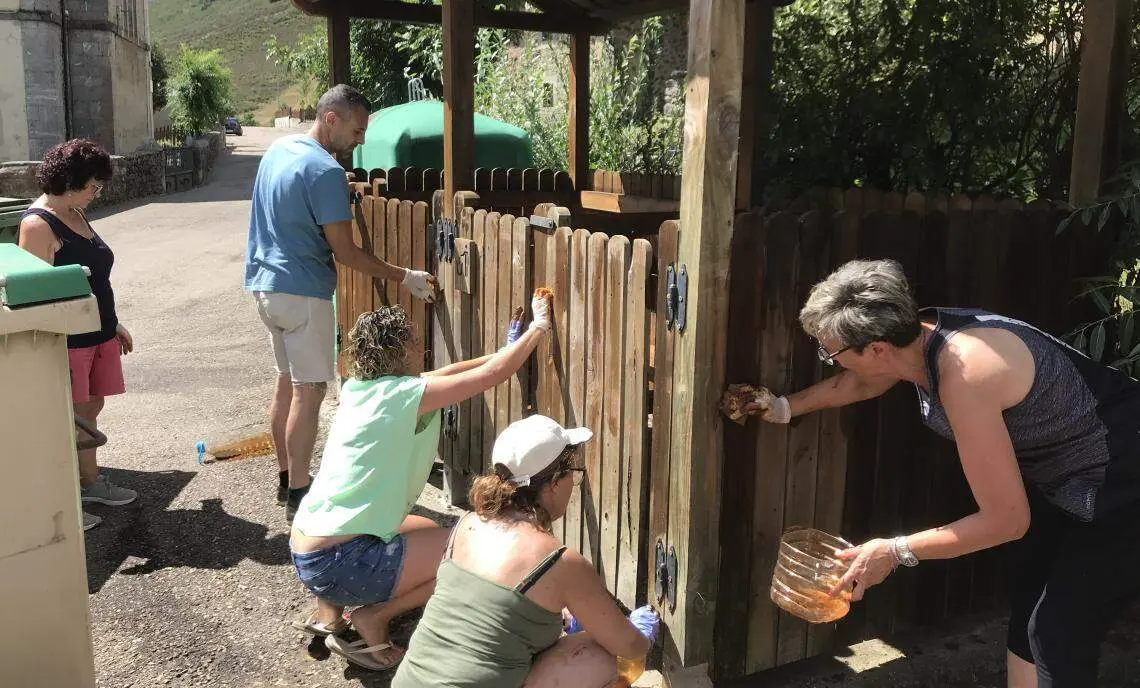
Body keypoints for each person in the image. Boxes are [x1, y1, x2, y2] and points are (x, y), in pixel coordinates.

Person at [729, 258, 1140, 688]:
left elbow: (1007, 521)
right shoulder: (913, 336)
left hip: (1123, 478)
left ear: (876, 349)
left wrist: (895, 551)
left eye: (831, 354)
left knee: (1057, 633)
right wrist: (784, 407)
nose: (832, 362)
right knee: (1029, 609)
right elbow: (864, 381)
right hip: (1069, 478)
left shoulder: (966, 375)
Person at [290, 291, 553, 672]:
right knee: (465, 550)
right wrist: (539, 327)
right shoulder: (404, 395)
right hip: (339, 562)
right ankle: (374, 616)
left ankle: (329, 614)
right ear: (400, 352)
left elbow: (452, 372)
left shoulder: (361, 388)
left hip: (307, 549)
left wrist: (506, 349)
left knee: (426, 529)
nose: (422, 349)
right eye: (415, 342)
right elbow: (492, 376)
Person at [245, 83, 438, 521]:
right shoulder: (325, 172)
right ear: (331, 118)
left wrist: (337, 189)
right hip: (303, 292)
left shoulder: (279, 151)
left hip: (266, 288)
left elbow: (296, 200)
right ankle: (300, 494)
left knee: (286, 382)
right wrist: (405, 276)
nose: (361, 139)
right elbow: (347, 253)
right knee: (309, 391)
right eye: (357, 129)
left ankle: (285, 478)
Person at [392, 414, 659, 687]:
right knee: (595, 656)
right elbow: (630, 646)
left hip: (408, 681)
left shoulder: (468, 523)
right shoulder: (559, 561)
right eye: (572, 473)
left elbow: (494, 607)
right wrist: (641, 631)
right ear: (555, 483)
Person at [18, 138, 137, 532]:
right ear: (70, 182)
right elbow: (37, 300)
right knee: (68, 418)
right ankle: (64, 497)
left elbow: (94, 276)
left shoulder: (75, 212)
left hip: (98, 333)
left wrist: (112, 324)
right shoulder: (38, 225)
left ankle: (89, 482)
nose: (96, 193)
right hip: (68, 342)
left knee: (89, 410)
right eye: (93, 186)